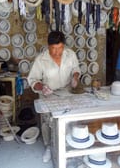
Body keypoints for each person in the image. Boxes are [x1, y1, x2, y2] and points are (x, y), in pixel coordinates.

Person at [27, 31, 80, 163]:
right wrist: (41, 87)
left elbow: (76, 68)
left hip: (66, 92)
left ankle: (65, 145)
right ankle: (48, 147)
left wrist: (75, 77)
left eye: (60, 48)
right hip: (47, 93)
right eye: (54, 49)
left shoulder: (70, 54)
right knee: (47, 122)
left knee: (66, 119)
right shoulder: (41, 59)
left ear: (64, 46)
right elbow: (32, 79)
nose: (57, 52)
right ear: (48, 46)